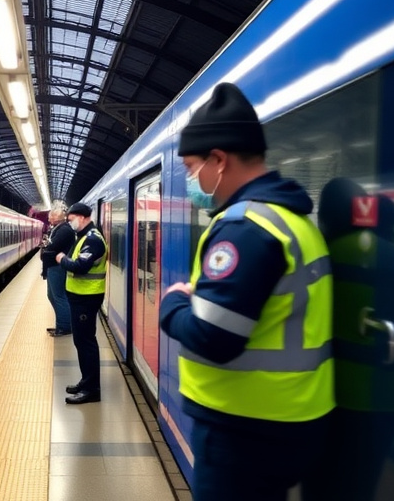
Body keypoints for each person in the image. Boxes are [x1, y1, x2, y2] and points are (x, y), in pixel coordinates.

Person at [158, 82, 334, 501]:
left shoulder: (244, 228)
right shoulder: (295, 221)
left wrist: (173, 303)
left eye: (190, 166)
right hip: (290, 419)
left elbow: (214, 337)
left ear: (218, 160)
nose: (190, 179)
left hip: (243, 429)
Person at [301, 179, 394, 501]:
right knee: (362, 483)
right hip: (390, 393)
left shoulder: (325, 255)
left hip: (336, 396)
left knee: (322, 484)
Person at [54, 202, 108, 404]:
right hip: (79, 297)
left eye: (71, 220)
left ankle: (92, 389)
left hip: (87, 298)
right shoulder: (83, 237)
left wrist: (61, 259)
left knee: (86, 343)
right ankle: (86, 382)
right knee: (80, 341)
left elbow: (79, 266)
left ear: (83, 217)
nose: (70, 223)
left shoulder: (93, 240)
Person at [41, 207, 76, 336]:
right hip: (54, 266)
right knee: (52, 296)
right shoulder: (59, 229)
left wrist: (47, 247)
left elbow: (52, 246)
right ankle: (60, 324)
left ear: (56, 217)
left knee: (59, 296)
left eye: (50, 216)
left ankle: (65, 327)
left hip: (58, 267)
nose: (49, 218)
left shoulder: (64, 230)